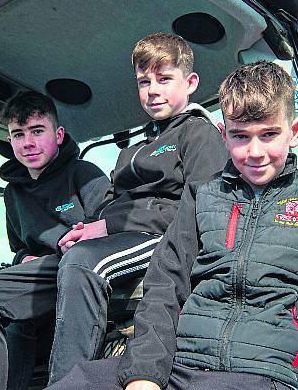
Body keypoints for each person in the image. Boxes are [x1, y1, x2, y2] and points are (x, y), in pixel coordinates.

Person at [47, 60, 298, 390]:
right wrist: (144, 374)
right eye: (241, 137)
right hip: (181, 366)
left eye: (269, 135)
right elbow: (165, 285)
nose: (255, 152)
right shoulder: (203, 195)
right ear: (223, 134)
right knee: (76, 382)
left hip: (257, 374)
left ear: (294, 131)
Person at [48, 33, 229, 385]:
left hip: (166, 235)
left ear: (190, 82)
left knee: (85, 263)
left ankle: (67, 383)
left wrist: (107, 229)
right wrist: (90, 228)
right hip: (126, 235)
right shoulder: (132, 152)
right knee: (55, 266)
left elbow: (202, 205)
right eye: (144, 82)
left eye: (164, 79)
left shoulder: (198, 134)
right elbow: (110, 205)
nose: (153, 90)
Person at [0, 91, 110, 390]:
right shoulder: (14, 193)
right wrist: (22, 260)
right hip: (38, 275)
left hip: (80, 269)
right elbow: (19, 248)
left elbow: (109, 228)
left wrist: (81, 240)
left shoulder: (84, 174)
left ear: (58, 134)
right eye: (18, 134)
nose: (28, 142)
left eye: (37, 131)